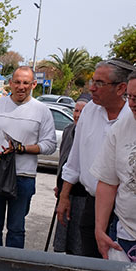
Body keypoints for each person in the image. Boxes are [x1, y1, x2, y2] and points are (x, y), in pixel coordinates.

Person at [57, 59, 134, 257]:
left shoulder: (135, 116)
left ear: (121, 88)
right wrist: (64, 197)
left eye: (99, 83)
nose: (92, 88)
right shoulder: (90, 110)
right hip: (92, 204)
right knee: (90, 262)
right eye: (92, 81)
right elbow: (74, 158)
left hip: (125, 209)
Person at [0, 66, 56, 248]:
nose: (21, 87)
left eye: (26, 83)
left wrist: (24, 148)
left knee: (16, 229)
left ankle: (13, 270)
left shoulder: (42, 111)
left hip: (23, 178)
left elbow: (50, 144)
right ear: (10, 84)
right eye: (17, 82)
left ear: (34, 85)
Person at [91, 64, 136, 259]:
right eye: (129, 97)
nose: (132, 104)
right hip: (125, 238)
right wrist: (100, 230)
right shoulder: (122, 126)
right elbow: (107, 182)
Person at [53, 96, 89, 253]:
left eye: (83, 111)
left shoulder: (91, 133)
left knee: (77, 237)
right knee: (63, 231)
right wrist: (59, 185)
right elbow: (63, 159)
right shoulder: (68, 130)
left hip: (83, 193)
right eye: (76, 110)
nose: (78, 115)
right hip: (65, 191)